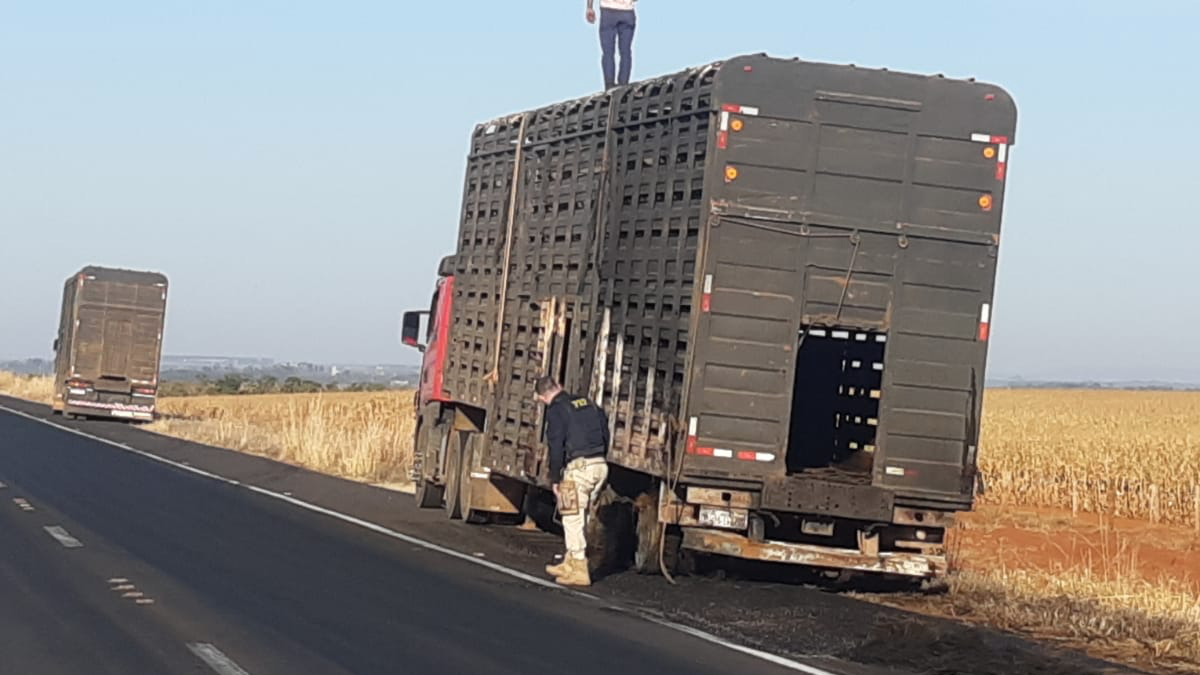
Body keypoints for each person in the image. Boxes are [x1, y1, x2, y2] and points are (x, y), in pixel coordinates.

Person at [535, 376, 610, 586]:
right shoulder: (588, 403)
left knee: (571, 516)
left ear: (542, 398)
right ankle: (569, 560)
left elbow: (556, 447)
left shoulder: (556, 411)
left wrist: (555, 479)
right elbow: (605, 432)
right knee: (582, 514)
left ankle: (578, 566)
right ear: (560, 386)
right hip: (599, 466)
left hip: (578, 469)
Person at [586, 0, 637, 90]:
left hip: (608, 11)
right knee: (625, 52)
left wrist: (590, 7)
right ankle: (623, 84)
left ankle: (609, 86)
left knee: (608, 53)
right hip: (627, 12)